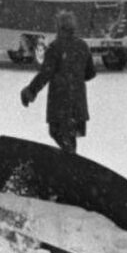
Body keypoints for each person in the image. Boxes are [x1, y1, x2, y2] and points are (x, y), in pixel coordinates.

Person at [20, 10, 96, 154]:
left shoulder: (55, 48)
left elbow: (45, 74)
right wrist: (75, 76)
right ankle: (72, 161)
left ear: (59, 27)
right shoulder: (83, 46)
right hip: (78, 102)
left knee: (56, 132)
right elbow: (90, 73)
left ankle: (70, 161)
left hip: (60, 101)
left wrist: (30, 91)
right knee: (70, 135)